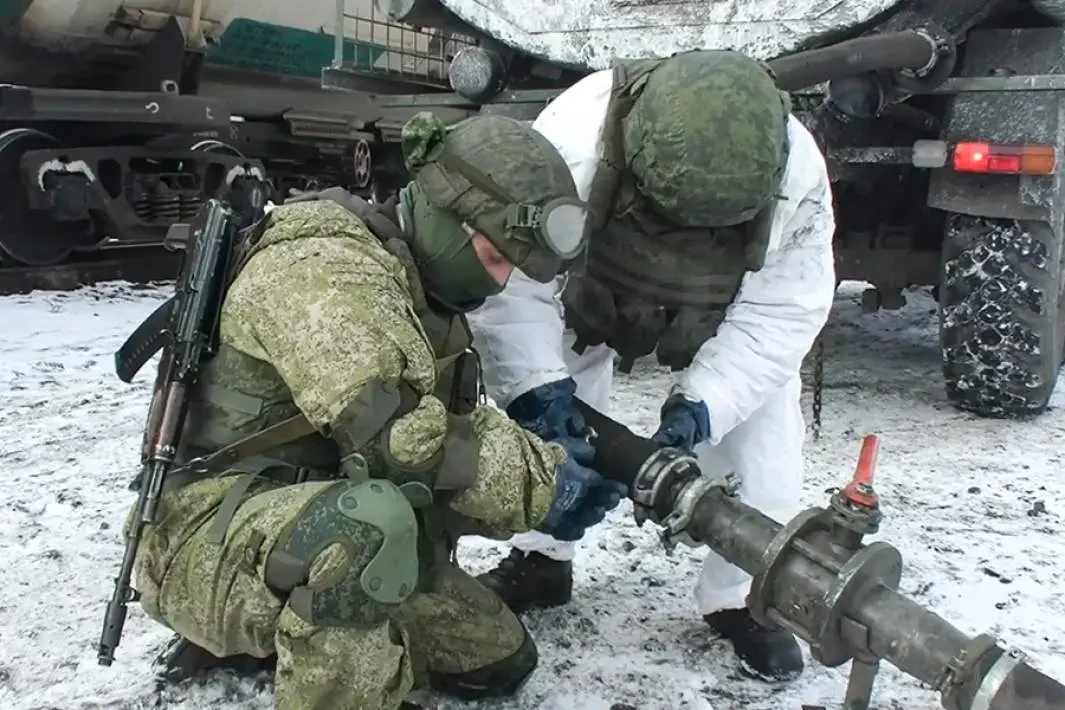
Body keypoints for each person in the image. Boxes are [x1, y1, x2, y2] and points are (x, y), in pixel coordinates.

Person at [121, 110, 626, 710]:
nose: (500, 281)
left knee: (498, 659)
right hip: (210, 536)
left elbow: (449, 449)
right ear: (445, 217)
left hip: (312, 517)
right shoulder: (324, 268)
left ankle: (309, 630)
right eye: (496, 257)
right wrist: (546, 486)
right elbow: (404, 444)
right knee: (368, 527)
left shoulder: (415, 281)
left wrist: (545, 474)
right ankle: (282, 642)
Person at [466, 49, 837, 683]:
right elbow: (515, 280)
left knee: (767, 449)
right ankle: (542, 557)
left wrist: (704, 406)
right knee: (554, 406)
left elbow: (782, 310)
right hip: (590, 291)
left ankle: (741, 596)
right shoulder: (571, 142)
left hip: (720, 306)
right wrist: (537, 392)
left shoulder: (797, 174)